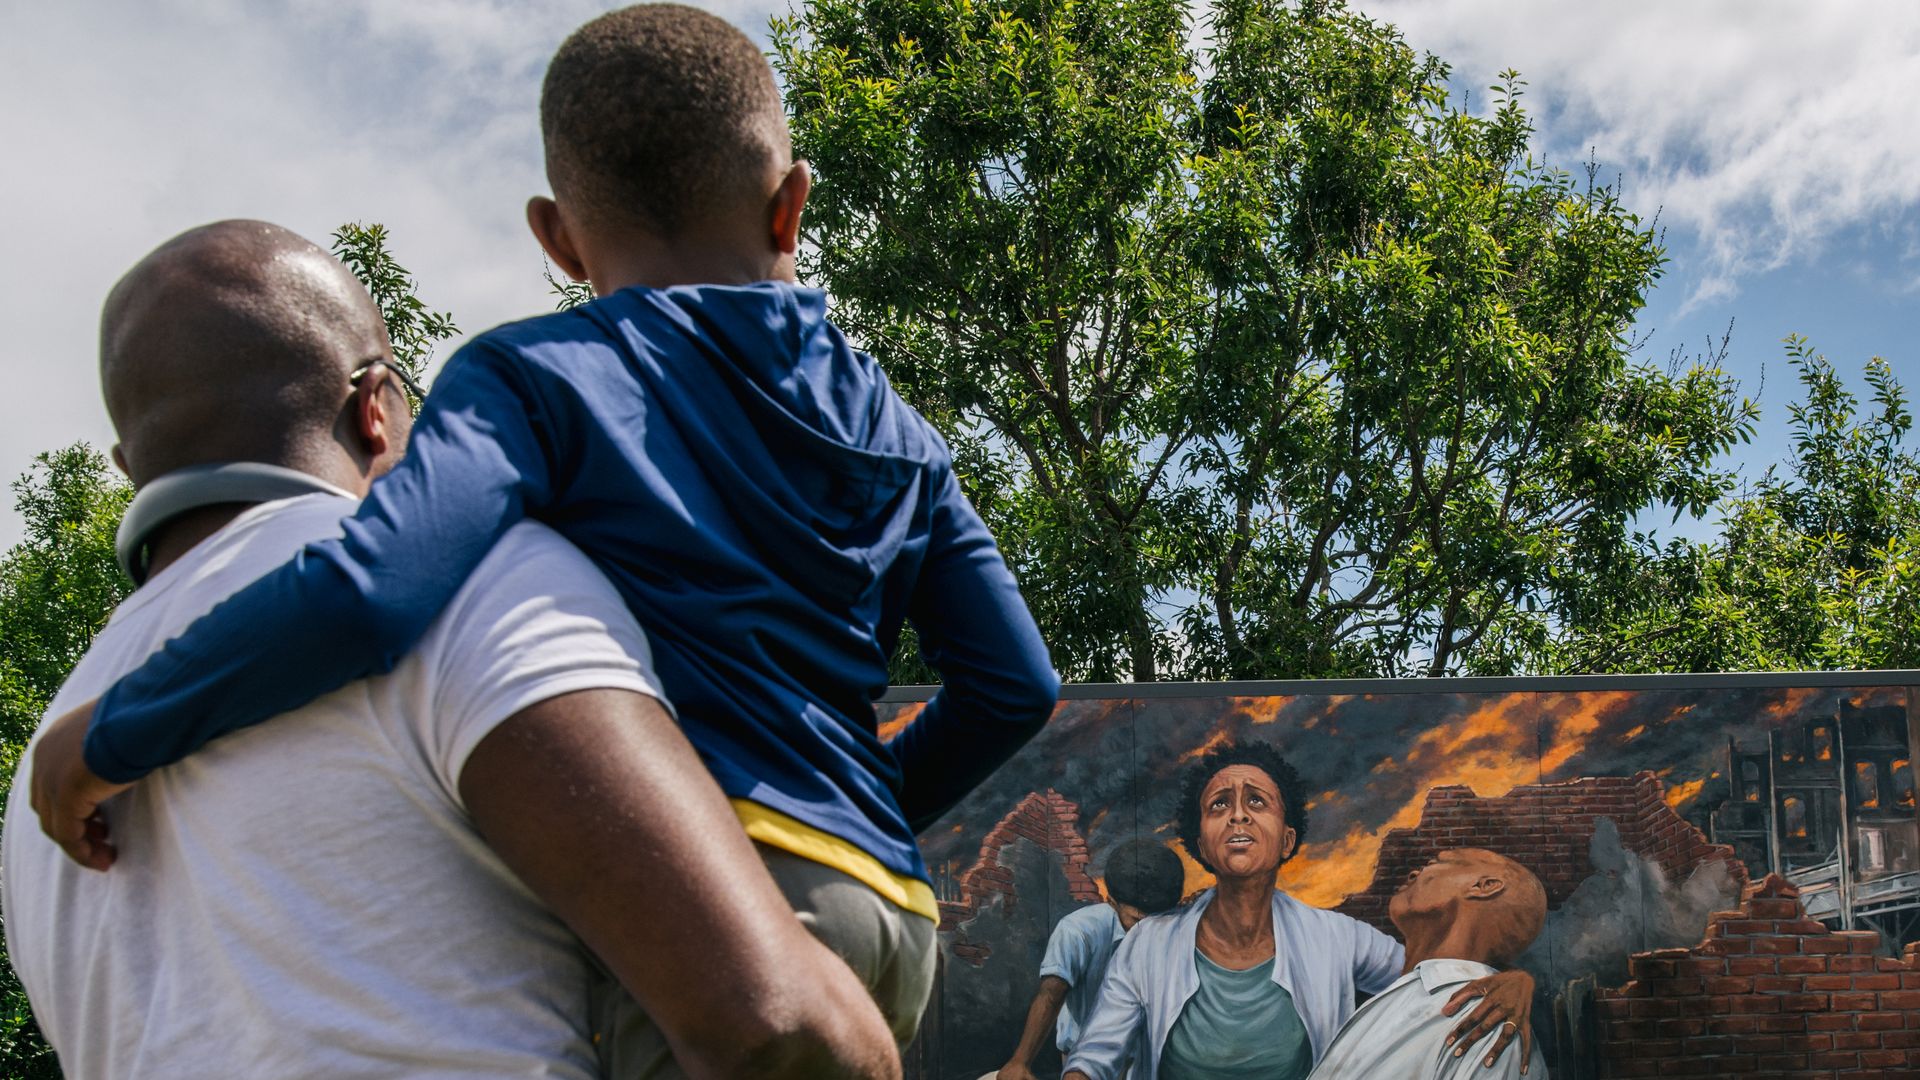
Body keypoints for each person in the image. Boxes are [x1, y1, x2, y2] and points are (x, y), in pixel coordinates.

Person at [32, 2, 1060, 1060]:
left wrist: (108, 736)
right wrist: (857, 815)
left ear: (558, 238)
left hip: (744, 909)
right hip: (899, 911)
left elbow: (375, 587)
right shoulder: (903, 434)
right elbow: (1014, 685)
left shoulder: (537, 377)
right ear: (791, 204)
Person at [5, 220, 898, 1079]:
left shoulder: (37, 790)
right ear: (378, 409)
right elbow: (773, 1029)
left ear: (130, 464)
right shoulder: (470, 580)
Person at [1062, 743, 1534, 1080]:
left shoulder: (1337, 937)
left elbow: (1430, 975)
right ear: (1201, 843)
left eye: (1257, 802)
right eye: (1220, 804)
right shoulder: (1149, 943)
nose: (1238, 816)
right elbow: (1097, 1056)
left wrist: (1516, 979)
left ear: (1287, 838)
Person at [1308, 849, 1549, 1079]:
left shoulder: (1487, 1022)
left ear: (1484, 886)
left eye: (1435, 863)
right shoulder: (1403, 996)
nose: (1414, 873)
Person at [997, 838, 1188, 1080]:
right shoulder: (1078, 931)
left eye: (1160, 921)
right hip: (1086, 1061)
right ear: (1112, 903)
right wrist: (1020, 1062)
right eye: (1137, 921)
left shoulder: (1182, 931)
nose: (1150, 931)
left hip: (1148, 1059)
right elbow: (1050, 995)